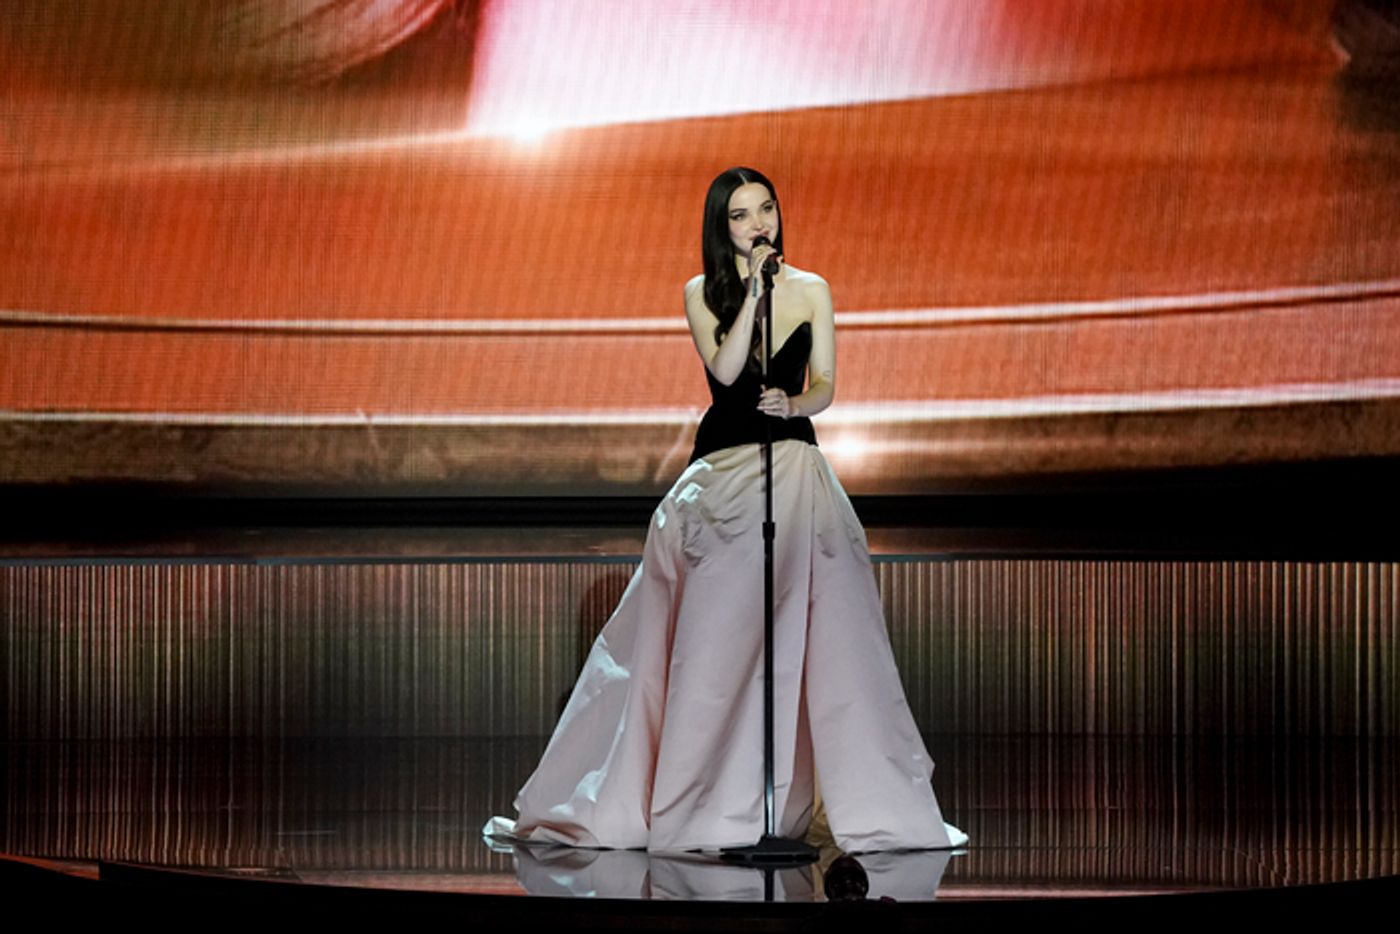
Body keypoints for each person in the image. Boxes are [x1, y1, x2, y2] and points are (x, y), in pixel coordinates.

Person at [484, 167, 966, 853]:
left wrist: (798, 404)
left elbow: (825, 381)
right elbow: (728, 368)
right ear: (722, 228)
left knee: (819, 637)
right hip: (721, 481)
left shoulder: (813, 289)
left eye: (765, 209)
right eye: (740, 216)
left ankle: (787, 799)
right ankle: (703, 798)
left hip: (794, 470)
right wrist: (753, 294)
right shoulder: (699, 293)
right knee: (714, 646)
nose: (758, 224)